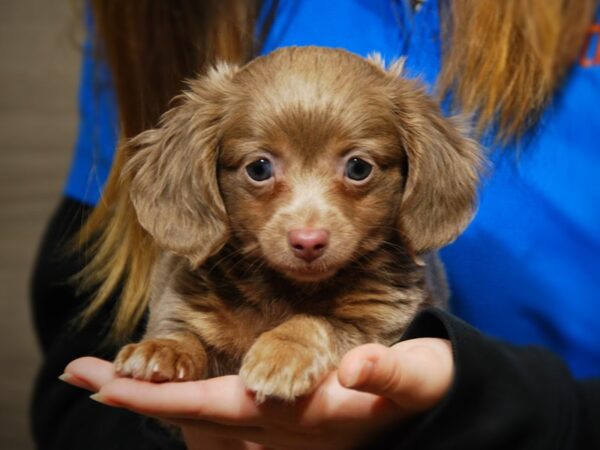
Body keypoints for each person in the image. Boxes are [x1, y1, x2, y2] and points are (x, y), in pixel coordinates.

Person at [31, 1, 600, 449]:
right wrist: (172, 413)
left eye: (358, 169)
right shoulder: (160, 13)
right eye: (260, 170)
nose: (308, 231)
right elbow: (80, 368)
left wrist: (538, 417)